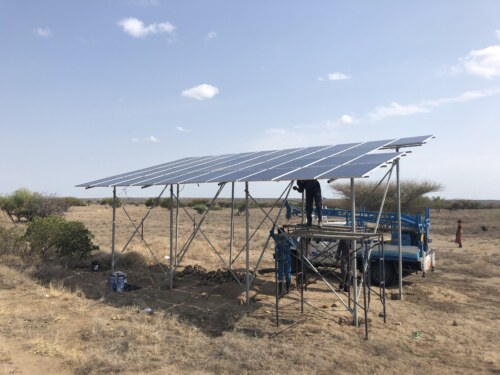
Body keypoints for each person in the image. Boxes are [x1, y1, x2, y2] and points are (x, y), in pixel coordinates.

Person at [270, 225, 295, 294]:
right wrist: (292, 238)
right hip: (287, 259)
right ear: (284, 232)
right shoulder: (287, 238)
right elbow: (293, 245)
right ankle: (287, 290)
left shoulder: (277, 237)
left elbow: (271, 233)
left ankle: (280, 291)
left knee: (280, 276)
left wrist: (273, 226)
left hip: (280, 259)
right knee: (288, 275)